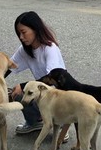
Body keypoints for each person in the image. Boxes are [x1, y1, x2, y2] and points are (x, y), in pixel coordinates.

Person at [8, 11, 69, 140]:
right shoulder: (25, 49)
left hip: (58, 97)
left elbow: (52, 80)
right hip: (42, 95)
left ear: (35, 28)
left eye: (23, 32)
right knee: (16, 93)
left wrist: (23, 85)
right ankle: (35, 122)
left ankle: (61, 124)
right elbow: (9, 66)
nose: (21, 37)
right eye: (18, 33)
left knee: (22, 90)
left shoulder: (50, 48)